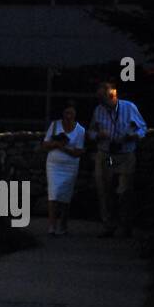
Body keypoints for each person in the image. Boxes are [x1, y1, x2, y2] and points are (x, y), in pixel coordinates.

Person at [89, 81, 147, 238]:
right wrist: (98, 135)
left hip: (125, 155)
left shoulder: (129, 107)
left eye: (103, 98)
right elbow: (91, 131)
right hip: (107, 155)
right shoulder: (99, 110)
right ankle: (109, 226)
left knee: (124, 191)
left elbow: (143, 128)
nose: (101, 102)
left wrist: (133, 136)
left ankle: (126, 225)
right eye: (99, 99)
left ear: (112, 95)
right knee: (105, 190)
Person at [42, 101, 85, 236]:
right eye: (67, 112)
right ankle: (52, 225)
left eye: (71, 112)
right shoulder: (55, 125)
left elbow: (78, 152)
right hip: (54, 165)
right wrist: (57, 143)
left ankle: (63, 224)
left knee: (65, 197)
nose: (69, 115)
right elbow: (45, 144)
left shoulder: (80, 130)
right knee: (53, 194)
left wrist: (63, 147)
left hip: (70, 166)